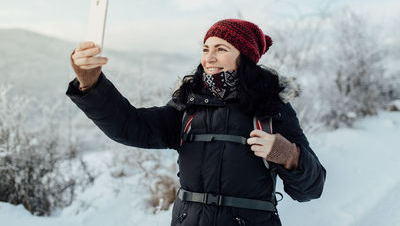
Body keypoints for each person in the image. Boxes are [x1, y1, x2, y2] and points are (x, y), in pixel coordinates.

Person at [66, 18, 326, 226]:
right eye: (205, 49)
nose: (209, 57)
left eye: (221, 49)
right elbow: (131, 127)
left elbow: (312, 189)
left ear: (244, 57)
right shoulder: (188, 106)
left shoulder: (272, 109)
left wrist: (289, 155)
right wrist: (91, 84)